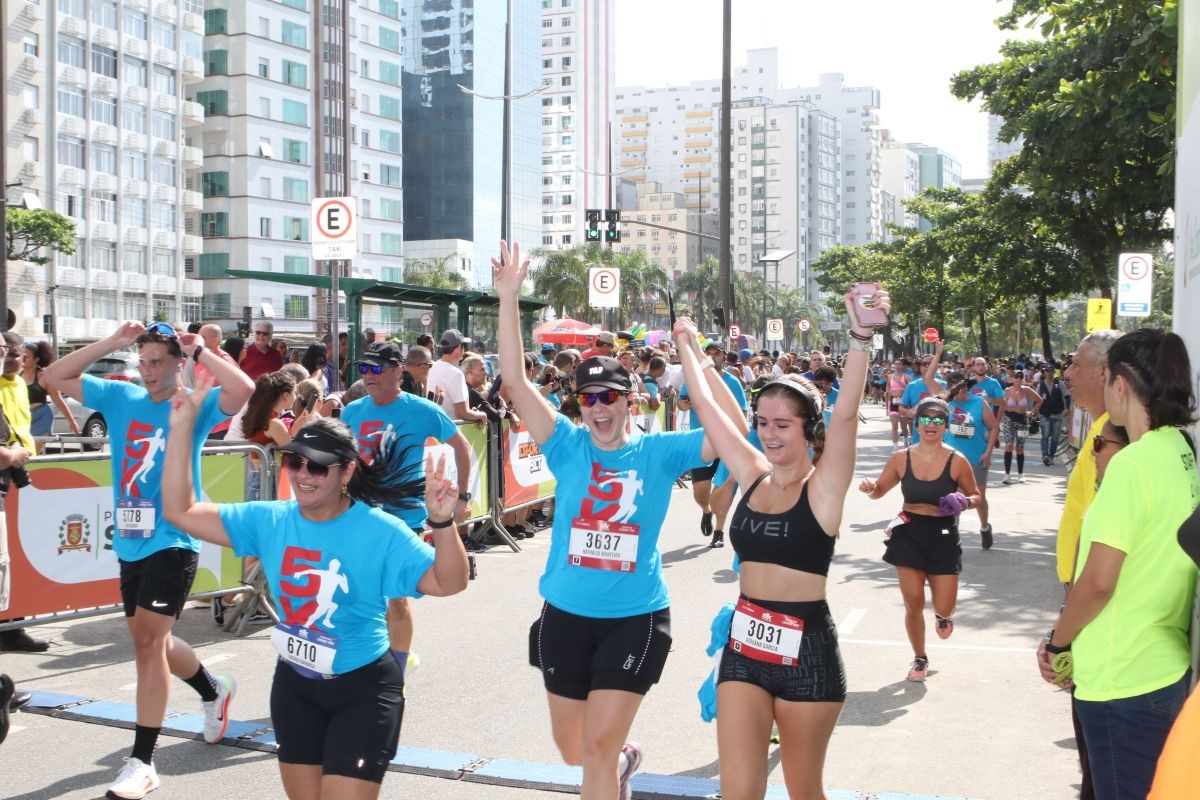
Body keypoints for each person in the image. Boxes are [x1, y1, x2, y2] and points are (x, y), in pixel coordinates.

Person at [493, 241, 714, 800]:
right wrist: (509, 299)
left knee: (592, 751)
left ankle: (609, 765)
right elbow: (515, 383)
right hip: (564, 615)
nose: (598, 405)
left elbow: (724, 436)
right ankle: (622, 763)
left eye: (609, 395)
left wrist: (696, 359)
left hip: (633, 618)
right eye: (588, 396)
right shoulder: (568, 446)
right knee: (577, 752)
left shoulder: (660, 452)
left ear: (630, 401)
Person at [162, 403, 468, 800]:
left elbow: (450, 582)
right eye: (296, 462)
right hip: (294, 688)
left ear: (347, 472)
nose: (304, 475)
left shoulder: (381, 531)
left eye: (319, 467)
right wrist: (185, 432)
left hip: (363, 689)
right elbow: (181, 511)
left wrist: (443, 523)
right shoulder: (270, 519)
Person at [674, 285, 886, 800]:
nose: (769, 434)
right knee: (738, 791)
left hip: (808, 652)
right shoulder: (752, 474)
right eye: (762, 423)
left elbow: (847, 414)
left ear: (809, 429)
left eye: (783, 425)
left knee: (802, 790)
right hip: (745, 647)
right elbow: (707, 406)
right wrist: (687, 344)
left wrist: (860, 335)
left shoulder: (825, 489)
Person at [43, 321, 254, 799]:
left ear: (178, 363)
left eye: (158, 361)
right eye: (144, 361)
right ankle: (212, 689)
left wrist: (200, 349)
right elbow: (53, 377)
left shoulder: (193, 405)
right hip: (131, 538)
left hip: (175, 535)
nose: (149, 370)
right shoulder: (122, 398)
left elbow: (243, 388)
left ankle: (142, 761)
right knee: (148, 638)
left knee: (148, 643)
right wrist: (115, 343)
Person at [1038, 329, 1199, 800]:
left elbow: (1098, 582)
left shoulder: (1132, 464)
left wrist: (1057, 642)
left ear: (1122, 385)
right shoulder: (1181, 449)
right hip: (1163, 664)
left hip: (1120, 676)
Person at [340, 342, 476, 680]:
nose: (368, 376)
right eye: (363, 370)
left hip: (404, 514)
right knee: (357, 591)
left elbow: (463, 447)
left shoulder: (421, 410)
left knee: (396, 597)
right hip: (359, 513)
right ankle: (365, 659)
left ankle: (395, 670)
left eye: (376, 369)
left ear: (398, 370)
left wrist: (462, 498)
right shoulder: (352, 411)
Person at [860, 396, 981, 682]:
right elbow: (880, 491)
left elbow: (977, 496)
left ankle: (943, 617)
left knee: (944, 604)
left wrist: (964, 500)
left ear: (946, 425)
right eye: (925, 419)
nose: (931, 424)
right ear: (917, 424)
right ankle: (919, 658)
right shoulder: (901, 458)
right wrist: (870, 488)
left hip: (942, 533)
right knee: (913, 601)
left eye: (938, 419)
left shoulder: (957, 460)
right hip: (910, 530)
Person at [923, 342, 997, 549]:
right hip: (951, 458)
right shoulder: (946, 399)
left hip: (976, 458)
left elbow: (994, 427)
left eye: (963, 388)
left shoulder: (979, 403)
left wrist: (989, 451)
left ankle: (984, 527)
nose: (961, 393)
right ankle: (952, 534)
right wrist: (938, 354)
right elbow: (928, 378)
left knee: (978, 497)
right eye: (956, 389)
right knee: (951, 498)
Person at [0, 332, 48, 654]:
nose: (8, 357)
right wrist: (10, 456)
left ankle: (11, 629)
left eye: (11, 352)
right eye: (4, 351)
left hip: (15, 479)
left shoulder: (18, 385)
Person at [677, 341, 747, 548]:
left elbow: (742, 413)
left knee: (724, 486)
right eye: (709, 353)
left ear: (723, 357)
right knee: (700, 490)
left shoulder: (732, 382)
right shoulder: (692, 380)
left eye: (717, 354)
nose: (713, 357)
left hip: (726, 441)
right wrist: (683, 404)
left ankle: (719, 531)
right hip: (701, 441)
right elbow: (681, 403)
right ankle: (707, 510)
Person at [21, 340, 79, 448]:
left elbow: (57, 399)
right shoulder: (16, 376)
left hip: (41, 416)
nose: (23, 358)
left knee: (33, 451)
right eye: (21, 355)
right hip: (21, 418)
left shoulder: (44, 377)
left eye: (27, 356)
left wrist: (72, 421)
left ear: (36, 359)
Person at [427, 330, 487, 426]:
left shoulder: (432, 368)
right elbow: (462, 413)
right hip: (450, 433)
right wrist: (482, 415)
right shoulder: (456, 374)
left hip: (434, 431)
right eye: (464, 346)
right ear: (459, 347)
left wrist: (473, 413)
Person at [999, 370, 1042, 484]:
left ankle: (1020, 474)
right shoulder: (1007, 391)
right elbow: (1001, 407)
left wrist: (1032, 413)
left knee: (1020, 447)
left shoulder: (1026, 390)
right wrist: (997, 423)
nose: (1018, 379)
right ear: (1012, 378)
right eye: (1016, 377)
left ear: (1023, 378)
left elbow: (1040, 401)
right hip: (1009, 420)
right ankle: (1007, 475)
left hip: (1022, 421)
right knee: (1008, 446)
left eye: (1020, 377)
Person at [1036, 364, 1069, 466]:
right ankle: (1045, 455)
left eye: (1051, 371)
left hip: (1057, 415)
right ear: (1044, 373)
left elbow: (1067, 396)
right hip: (1044, 415)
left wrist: (1067, 408)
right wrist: (1034, 413)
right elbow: (1037, 400)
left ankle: (1051, 455)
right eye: (1047, 371)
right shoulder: (1040, 385)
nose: (1049, 373)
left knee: (1055, 438)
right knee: (1045, 435)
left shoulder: (1060, 384)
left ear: (1054, 372)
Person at [886, 360, 910, 449]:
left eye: (899, 364)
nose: (897, 366)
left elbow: (910, 390)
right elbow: (887, 392)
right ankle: (895, 447)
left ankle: (906, 440)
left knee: (903, 426)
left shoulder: (907, 377)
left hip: (903, 403)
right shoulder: (889, 377)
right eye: (895, 364)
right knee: (894, 424)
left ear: (902, 365)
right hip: (893, 402)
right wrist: (886, 408)